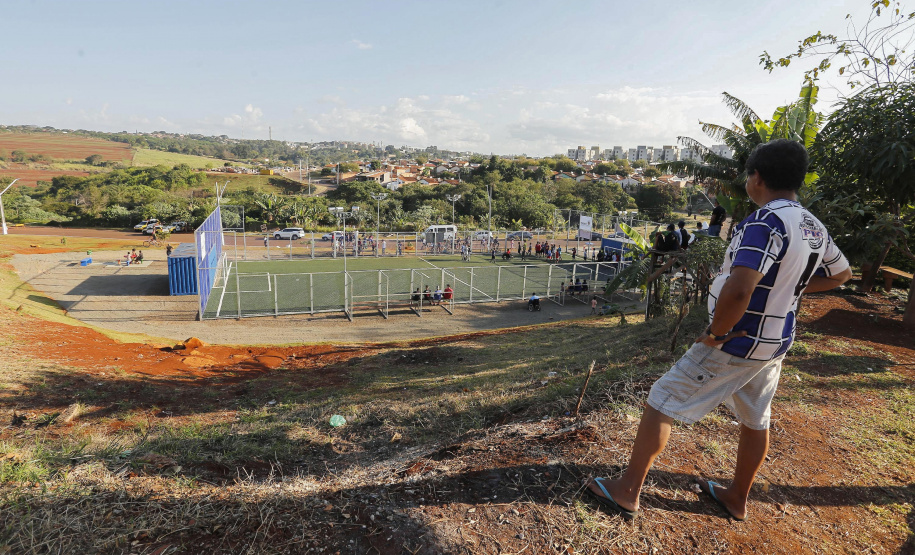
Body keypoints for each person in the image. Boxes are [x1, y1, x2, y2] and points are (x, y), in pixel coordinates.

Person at [584, 139, 852, 522]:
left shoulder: (765, 221)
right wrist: (788, 288)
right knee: (756, 417)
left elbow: (740, 287)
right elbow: (841, 273)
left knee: (662, 399)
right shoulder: (812, 225)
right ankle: (736, 497)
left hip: (737, 340)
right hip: (775, 342)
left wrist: (715, 332)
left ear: (756, 178)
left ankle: (627, 490)